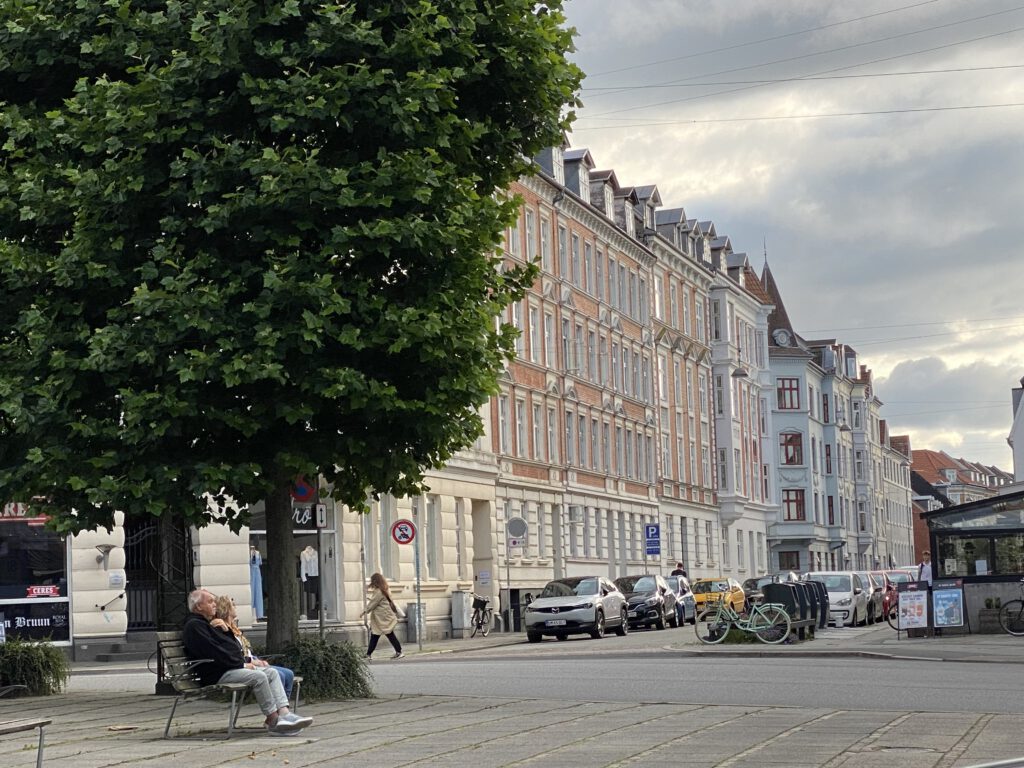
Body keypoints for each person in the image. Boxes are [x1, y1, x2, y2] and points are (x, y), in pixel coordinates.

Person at [183, 588, 312, 736]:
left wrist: (225, 631)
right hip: (217, 674)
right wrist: (242, 664)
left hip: (227, 669)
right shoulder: (195, 626)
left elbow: (233, 648)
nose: (215, 605)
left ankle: (284, 713)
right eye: (210, 602)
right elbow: (217, 653)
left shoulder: (208, 624)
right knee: (259, 677)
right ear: (198, 606)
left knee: (271, 672)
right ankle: (273, 720)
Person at [211, 595, 295, 699]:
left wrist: (256, 659)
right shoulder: (223, 629)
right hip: (244, 665)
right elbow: (236, 654)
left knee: (289, 674)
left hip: (251, 661)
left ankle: (284, 707)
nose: (235, 607)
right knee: (280, 675)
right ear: (226, 608)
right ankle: (278, 709)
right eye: (232, 605)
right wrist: (254, 661)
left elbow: (246, 651)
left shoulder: (234, 627)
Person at [360, 573, 404, 660]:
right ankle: (398, 652)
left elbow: (373, 603)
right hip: (385, 616)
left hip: (381, 618)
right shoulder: (385, 589)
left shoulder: (379, 591)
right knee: (384, 634)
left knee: (378, 635)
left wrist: (364, 611)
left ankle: (369, 655)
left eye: (373, 581)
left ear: (376, 581)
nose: (372, 583)